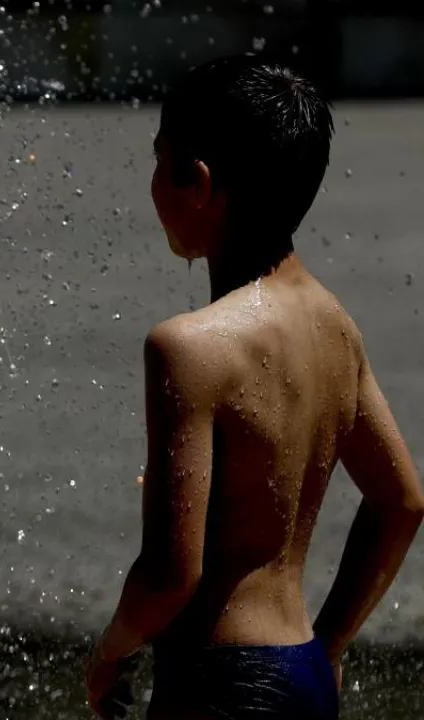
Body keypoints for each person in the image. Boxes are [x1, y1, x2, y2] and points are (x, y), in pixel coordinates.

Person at [84, 54, 424, 719]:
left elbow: (170, 575)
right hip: (301, 670)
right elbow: (402, 503)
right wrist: (332, 641)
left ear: (199, 183)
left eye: (159, 160)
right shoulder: (335, 325)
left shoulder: (188, 347)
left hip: (223, 681)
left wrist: (110, 651)